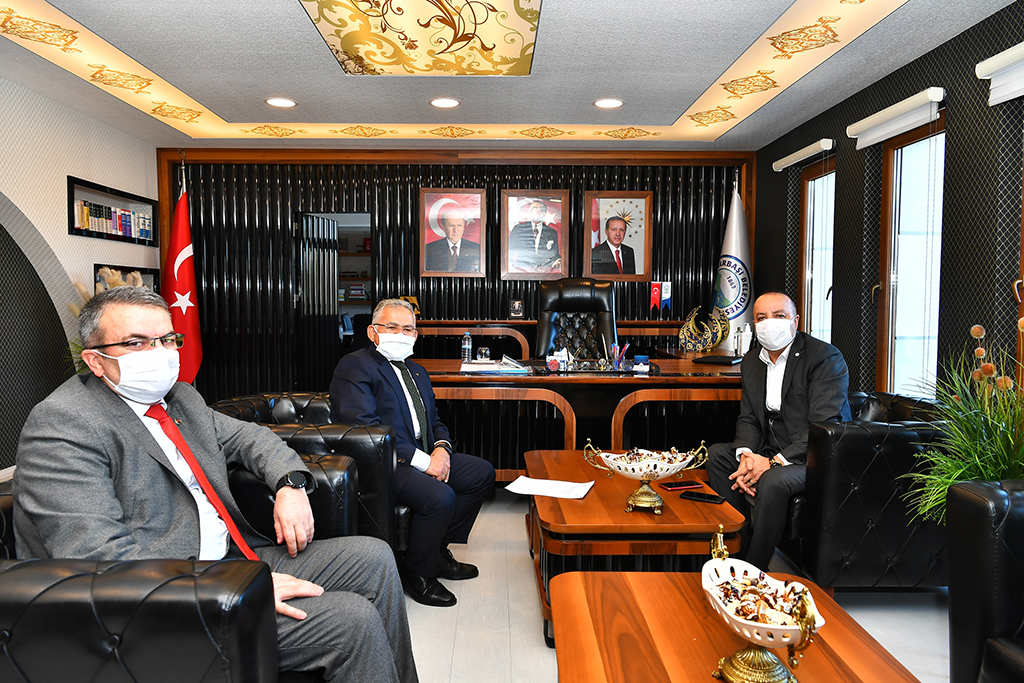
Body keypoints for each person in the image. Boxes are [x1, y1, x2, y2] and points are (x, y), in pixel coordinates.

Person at [13, 286, 417, 683]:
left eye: (165, 339)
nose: (158, 353)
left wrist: (291, 484)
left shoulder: (180, 398)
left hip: (230, 557)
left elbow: (251, 438)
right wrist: (233, 588)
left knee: (374, 556)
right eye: (136, 342)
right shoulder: (64, 424)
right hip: (162, 599)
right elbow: (98, 559)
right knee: (352, 620)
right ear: (95, 360)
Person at [330, 299, 495, 608]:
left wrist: (441, 449)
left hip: (423, 453)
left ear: (416, 335)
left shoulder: (417, 371)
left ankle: (435, 553)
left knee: (481, 473)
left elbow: (434, 421)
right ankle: (418, 572)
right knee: (440, 496)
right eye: (392, 327)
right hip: (382, 463)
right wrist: (425, 462)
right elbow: (366, 428)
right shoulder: (354, 366)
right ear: (373, 332)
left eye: (408, 329)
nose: (400, 334)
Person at [706, 291, 851, 570]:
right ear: (754, 324)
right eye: (761, 317)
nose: (769, 322)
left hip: (816, 455)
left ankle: (754, 568)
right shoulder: (751, 361)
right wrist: (746, 456)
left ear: (795, 321)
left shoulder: (824, 358)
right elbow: (749, 418)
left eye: (779, 315)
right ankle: (739, 548)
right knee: (718, 456)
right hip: (772, 447)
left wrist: (772, 462)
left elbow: (823, 426)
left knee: (773, 480)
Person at [508, 199, 561, 271]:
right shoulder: (518, 229)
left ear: (543, 213)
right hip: (522, 271)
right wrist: (510, 263)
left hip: (544, 272)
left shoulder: (552, 232)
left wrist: (558, 260)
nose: (529, 211)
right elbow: (509, 250)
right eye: (529, 208)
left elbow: (555, 254)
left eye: (534, 208)